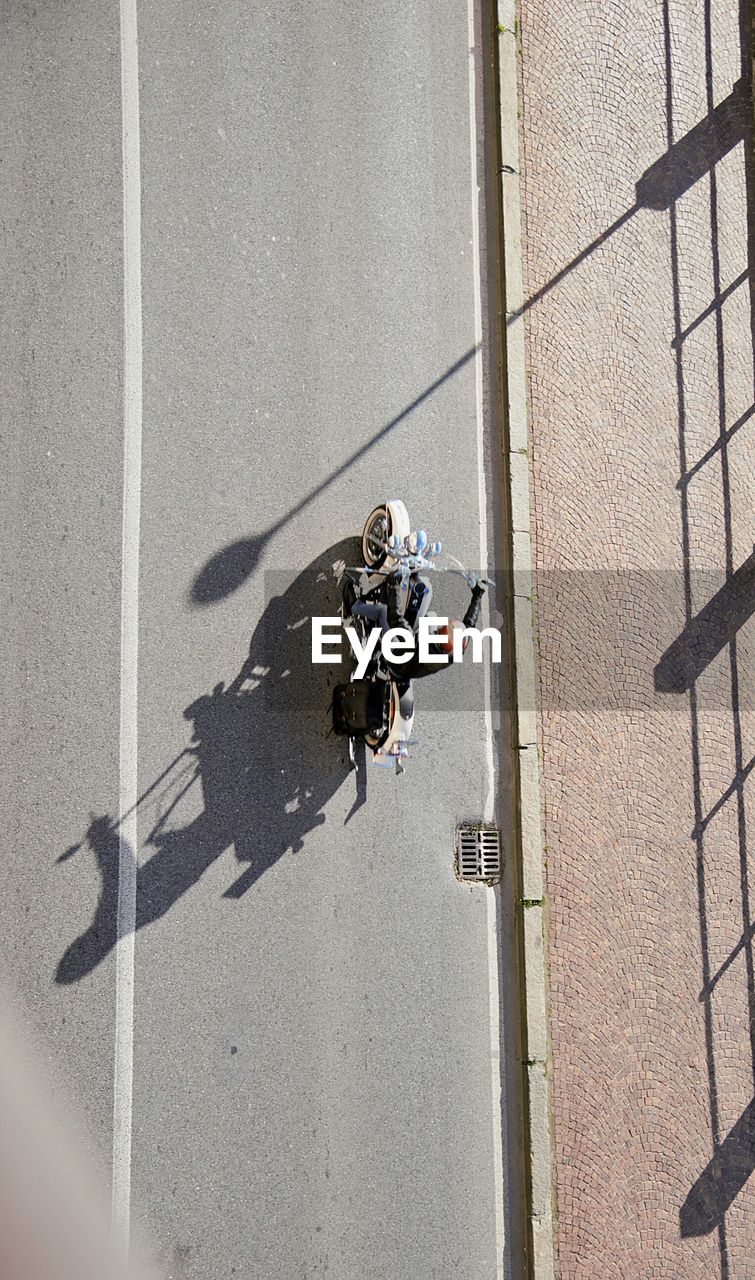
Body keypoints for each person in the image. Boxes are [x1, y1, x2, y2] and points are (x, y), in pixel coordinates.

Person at [347, 573, 486, 680]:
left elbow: (395, 618)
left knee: (383, 612)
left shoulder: (421, 646)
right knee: (431, 615)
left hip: (396, 661)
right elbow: (470, 624)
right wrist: (477, 595)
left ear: (437, 636)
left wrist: (393, 585)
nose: (447, 622)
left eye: (444, 626)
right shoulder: (455, 649)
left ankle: (353, 607)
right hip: (411, 664)